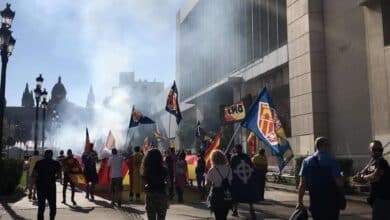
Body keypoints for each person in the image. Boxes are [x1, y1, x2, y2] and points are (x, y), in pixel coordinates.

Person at [297, 137, 344, 220]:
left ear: (316, 146)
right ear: (325, 146)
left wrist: (300, 201)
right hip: (331, 201)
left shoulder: (306, 161)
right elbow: (339, 183)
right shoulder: (332, 161)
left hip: (315, 201)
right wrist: (342, 177)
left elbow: (302, 184)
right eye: (329, 145)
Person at [353, 140, 390, 219]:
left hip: (383, 199)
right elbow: (364, 178)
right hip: (375, 199)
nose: (377, 152)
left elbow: (375, 177)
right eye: (375, 149)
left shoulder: (382, 163)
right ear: (370, 149)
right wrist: (358, 178)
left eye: (380, 150)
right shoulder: (371, 162)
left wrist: (362, 177)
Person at [141, 148, 169, 220]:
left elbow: (143, 185)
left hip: (151, 195)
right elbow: (168, 183)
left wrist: (146, 187)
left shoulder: (147, 170)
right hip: (162, 195)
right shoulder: (164, 169)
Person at [33, 149, 61, 220]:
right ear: (52, 155)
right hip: (51, 187)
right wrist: (53, 177)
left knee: (41, 207)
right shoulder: (56, 163)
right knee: (52, 207)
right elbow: (59, 176)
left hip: (41, 187)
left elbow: (34, 174)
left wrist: (38, 179)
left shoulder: (39, 163)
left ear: (44, 155)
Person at [206, 149, 233, 220]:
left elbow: (207, 184)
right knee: (224, 216)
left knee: (217, 216)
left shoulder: (212, 170)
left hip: (216, 194)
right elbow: (230, 182)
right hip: (226, 194)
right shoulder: (229, 169)